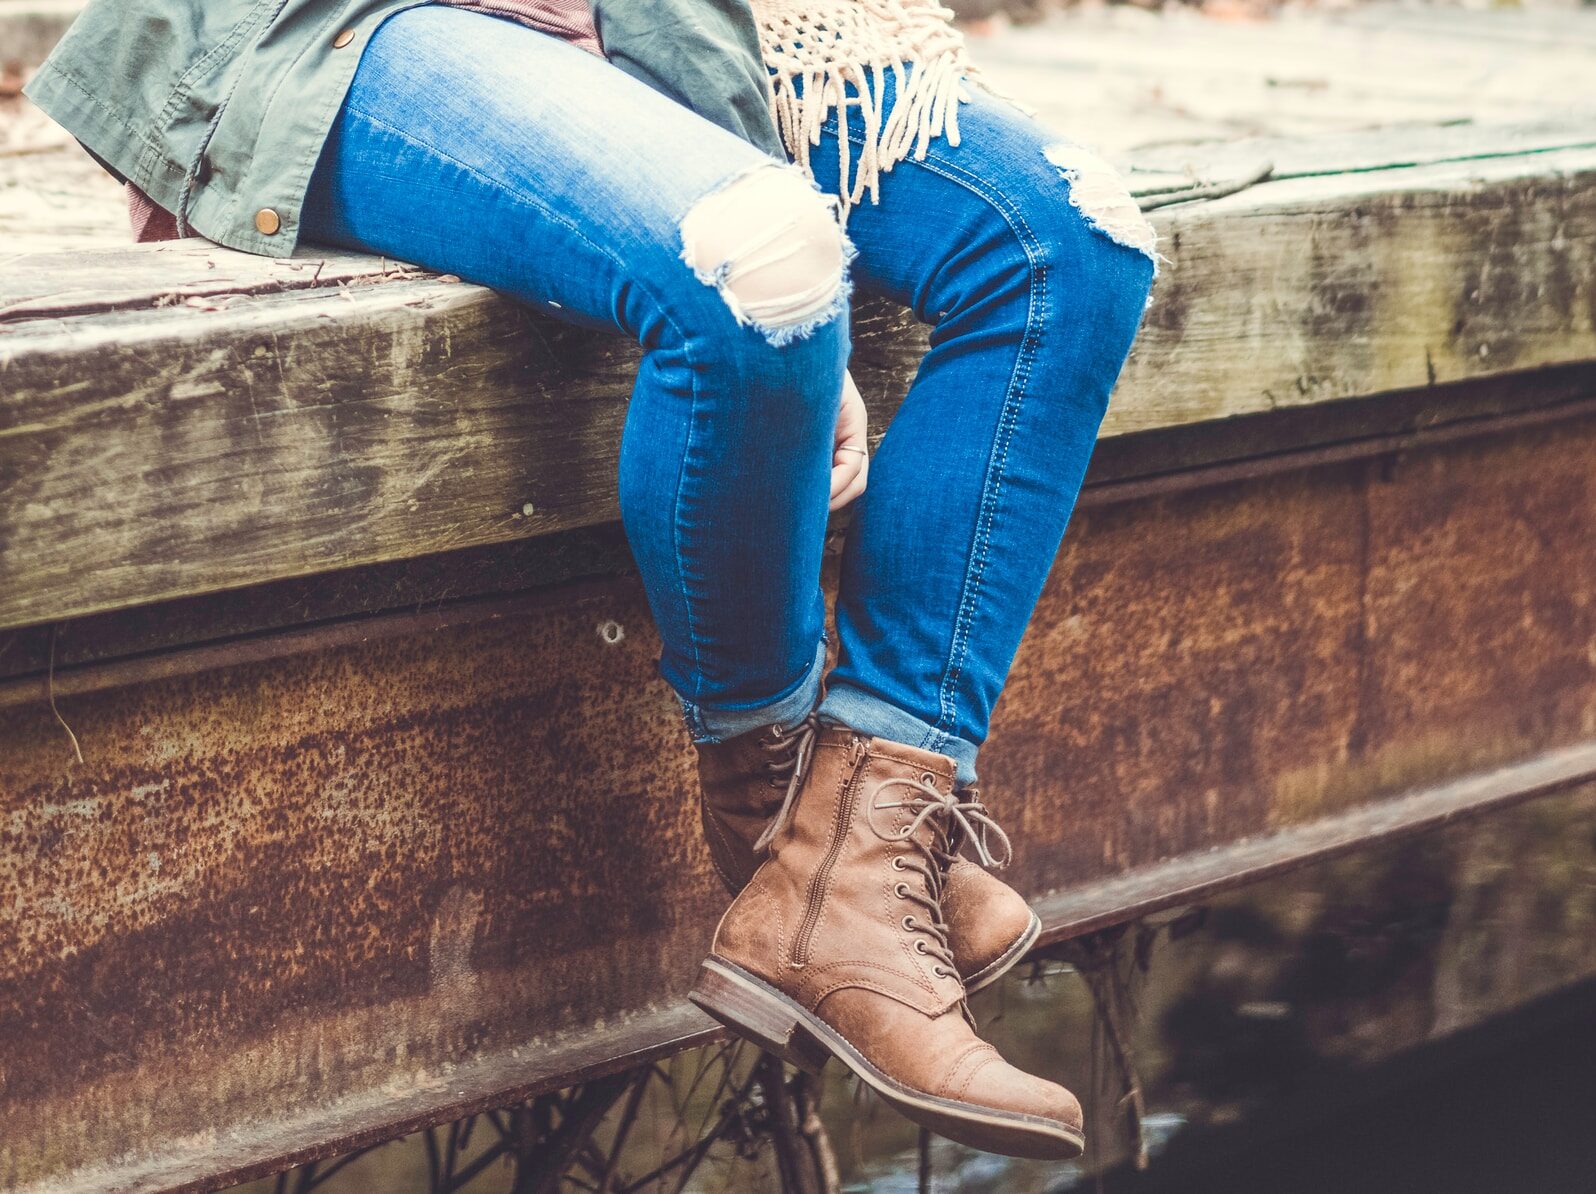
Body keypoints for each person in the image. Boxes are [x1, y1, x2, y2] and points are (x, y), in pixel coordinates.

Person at [25, 0, 1157, 1161]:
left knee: (1075, 243)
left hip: (707, 28)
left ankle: (869, 826)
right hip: (365, 21)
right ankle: (783, 817)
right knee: (760, 260)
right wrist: (797, 314)